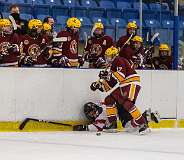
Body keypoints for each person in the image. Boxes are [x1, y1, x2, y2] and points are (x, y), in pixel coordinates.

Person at [89, 46, 149, 134]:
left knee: (127, 103)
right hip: (124, 84)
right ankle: (112, 124)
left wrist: (106, 76)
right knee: (109, 99)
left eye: (108, 56)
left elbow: (121, 76)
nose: (106, 58)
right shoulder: (112, 67)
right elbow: (110, 85)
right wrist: (98, 86)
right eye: (106, 56)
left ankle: (143, 124)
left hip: (132, 82)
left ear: (114, 56)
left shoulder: (118, 60)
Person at [73, 102, 160, 132]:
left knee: (128, 127)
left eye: (92, 112)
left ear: (94, 108)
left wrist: (83, 127)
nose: (92, 114)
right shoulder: (100, 105)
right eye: (90, 114)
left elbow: (97, 127)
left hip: (121, 110)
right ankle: (148, 117)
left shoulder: (100, 116)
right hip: (122, 107)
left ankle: (145, 117)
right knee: (133, 126)